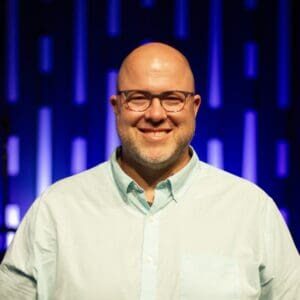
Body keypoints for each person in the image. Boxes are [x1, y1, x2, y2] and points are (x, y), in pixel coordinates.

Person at [0, 42, 299, 300]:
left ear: (194, 107)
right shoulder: (56, 210)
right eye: (138, 98)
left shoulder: (252, 211)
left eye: (172, 99)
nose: (156, 114)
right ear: (117, 107)